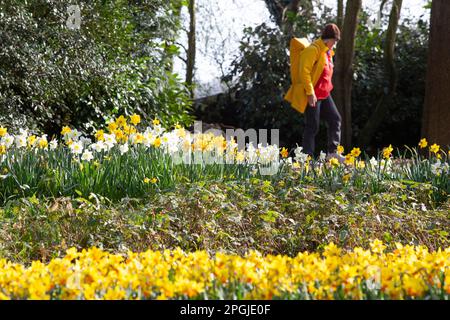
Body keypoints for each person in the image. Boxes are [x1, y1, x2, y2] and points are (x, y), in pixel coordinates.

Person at [285, 23, 345, 162]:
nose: (334, 44)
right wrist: (310, 93)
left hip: (325, 93)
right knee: (312, 126)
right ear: (328, 38)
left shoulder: (327, 52)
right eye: (334, 41)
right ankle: (307, 158)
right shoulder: (313, 50)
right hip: (313, 94)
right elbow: (304, 72)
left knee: (335, 119)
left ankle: (332, 153)